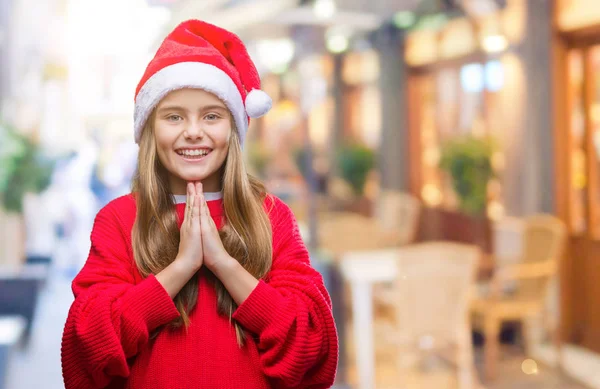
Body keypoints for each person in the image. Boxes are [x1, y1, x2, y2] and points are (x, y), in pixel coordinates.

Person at [60, 19, 339, 389]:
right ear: (150, 129)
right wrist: (180, 268)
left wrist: (224, 265)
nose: (193, 131)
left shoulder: (270, 216)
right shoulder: (119, 219)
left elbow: (312, 344)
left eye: (211, 115)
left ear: (233, 128)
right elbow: (86, 348)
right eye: (174, 116)